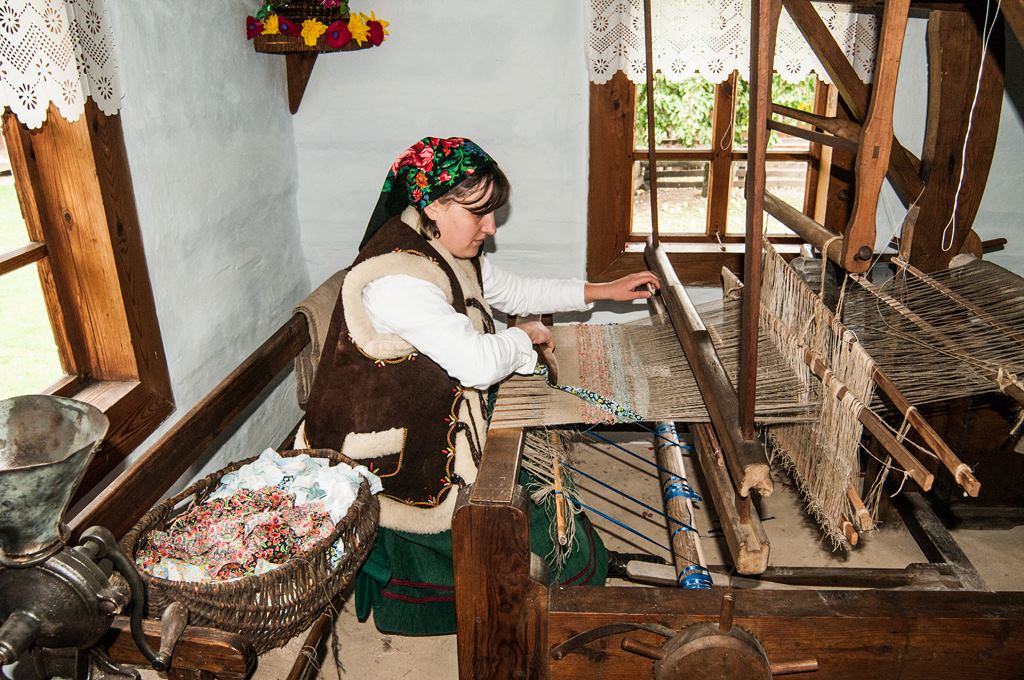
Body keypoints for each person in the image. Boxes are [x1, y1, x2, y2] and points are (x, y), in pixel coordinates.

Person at [302, 136, 659, 635]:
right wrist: (523, 339)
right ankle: (544, 602)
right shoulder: (398, 279)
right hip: (395, 459)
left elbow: (513, 290)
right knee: (530, 529)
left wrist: (603, 291)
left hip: (433, 418)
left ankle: (574, 569)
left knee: (543, 487)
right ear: (433, 205)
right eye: (479, 213)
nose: (490, 227)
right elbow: (475, 364)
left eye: (492, 212)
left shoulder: (438, 242)